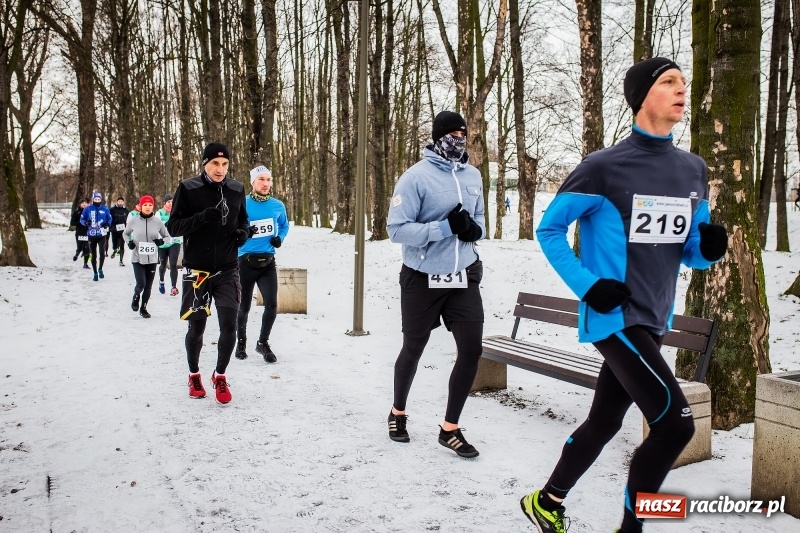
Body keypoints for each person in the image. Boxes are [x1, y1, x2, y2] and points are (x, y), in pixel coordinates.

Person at [520, 58, 728, 533]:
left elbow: (691, 252)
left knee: (604, 421)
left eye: (684, 83)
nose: (681, 90)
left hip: (654, 317)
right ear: (641, 96)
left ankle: (546, 500)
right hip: (614, 315)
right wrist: (588, 285)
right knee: (676, 424)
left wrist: (708, 249)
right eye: (669, 82)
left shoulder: (693, 170)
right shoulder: (603, 167)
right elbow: (550, 229)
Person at [385, 110, 486, 458]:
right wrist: (444, 228)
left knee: (471, 349)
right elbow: (397, 230)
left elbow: (481, 220)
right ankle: (398, 412)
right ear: (439, 136)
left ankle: (450, 428)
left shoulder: (472, 175)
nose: (459, 139)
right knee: (414, 347)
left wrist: (475, 231)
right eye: (452, 133)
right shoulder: (415, 178)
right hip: (422, 278)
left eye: (463, 133)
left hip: (464, 276)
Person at [166, 142, 249, 405]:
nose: (220, 169)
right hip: (196, 271)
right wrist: (201, 217)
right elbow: (173, 227)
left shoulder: (236, 189)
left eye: (224, 164)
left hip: (228, 270)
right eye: (215, 163)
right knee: (197, 328)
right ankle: (194, 374)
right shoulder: (189, 188)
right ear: (204, 164)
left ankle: (220, 375)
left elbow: (244, 220)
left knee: (229, 326)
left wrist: (243, 233)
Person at [235, 165, 289, 363]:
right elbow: (232, 227)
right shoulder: (242, 204)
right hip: (245, 261)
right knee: (244, 306)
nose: (265, 184)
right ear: (252, 182)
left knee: (272, 304)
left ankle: (262, 343)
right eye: (261, 180)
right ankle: (241, 342)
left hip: (267, 262)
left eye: (268, 180)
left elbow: (284, 224)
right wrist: (243, 234)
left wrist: (280, 238)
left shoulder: (277, 205)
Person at [124, 195, 170, 318]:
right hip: (137, 258)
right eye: (145, 205)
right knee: (141, 284)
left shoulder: (157, 222)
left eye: (150, 205)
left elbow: (166, 237)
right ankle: (136, 296)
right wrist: (129, 242)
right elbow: (125, 234)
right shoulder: (134, 220)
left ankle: (143, 308)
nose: (148, 207)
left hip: (152, 259)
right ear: (141, 206)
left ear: (153, 206)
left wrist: (161, 242)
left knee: (148, 286)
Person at [80, 192, 112, 281]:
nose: (97, 201)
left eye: (98, 199)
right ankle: (95, 272)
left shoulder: (105, 208)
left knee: (102, 252)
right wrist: (86, 223)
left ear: (101, 200)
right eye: (95, 199)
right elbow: (82, 219)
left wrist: (107, 224)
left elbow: (109, 218)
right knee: (93, 254)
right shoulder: (88, 209)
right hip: (91, 234)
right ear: (93, 199)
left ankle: (100, 268)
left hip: (102, 234)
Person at [156, 194, 182, 296]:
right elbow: (157, 226)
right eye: (169, 202)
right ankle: (161, 281)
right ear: (164, 203)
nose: (171, 204)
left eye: (172, 202)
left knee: (173, 264)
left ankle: (173, 287)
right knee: (163, 265)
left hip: (175, 241)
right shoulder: (159, 213)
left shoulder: (177, 212)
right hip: (163, 242)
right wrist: (165, 224)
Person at [70, 198, 91, 268]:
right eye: (82, 203)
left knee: (87, 248)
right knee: (80, 247)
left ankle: (85, 263)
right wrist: (80, 223)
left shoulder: (90, 212)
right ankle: (77, 253)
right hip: (79, 232)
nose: (84, 204)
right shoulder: (77, 212)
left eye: (85, 203)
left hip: (88, 232)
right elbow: (72, 223)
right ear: (80, 204)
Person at [109, 197, 130, 266]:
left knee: (122, 245)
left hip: (122, 231)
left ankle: (121, 260)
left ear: (123, 202)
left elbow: (128, 220)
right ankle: (115, 250)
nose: (120, 202)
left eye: (121, 201)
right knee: (114, 244)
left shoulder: (126, 210)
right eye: (119, 201)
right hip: (114, 230)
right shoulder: (112, 210)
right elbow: (109, 219)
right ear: (117, 202)